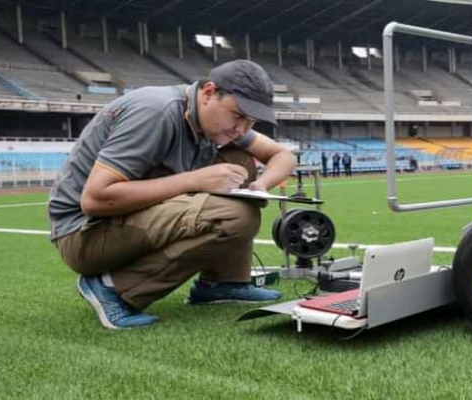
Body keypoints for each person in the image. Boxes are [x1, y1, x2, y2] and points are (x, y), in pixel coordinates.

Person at [48, 60, 295, 329]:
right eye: (237, 115)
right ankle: (112, 288)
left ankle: (223, 281)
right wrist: (195, 180)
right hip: (84, 234)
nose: (242, 129)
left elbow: (282, 155)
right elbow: (95, 199)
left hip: (125, 221)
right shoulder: (156, 111)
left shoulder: (212, 120)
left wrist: (261, 185)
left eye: (251, 121)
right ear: (209, 92)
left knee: (239, 159)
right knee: (235, 215)